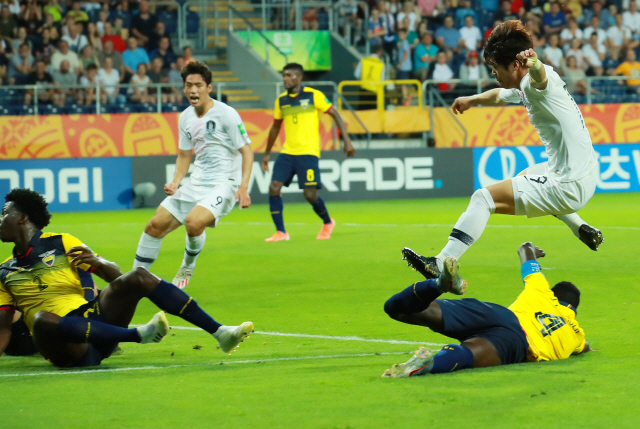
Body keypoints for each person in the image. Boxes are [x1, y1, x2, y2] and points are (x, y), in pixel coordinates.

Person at [402, 20, 603, 280]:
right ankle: (581, 226)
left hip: (569, 183)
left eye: (496, 67)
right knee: (525, 177)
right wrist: (471, 99)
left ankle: (441, 262)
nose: (494, 73)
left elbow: (540, 78)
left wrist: (535, 64)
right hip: (582, 172)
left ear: (516, 65)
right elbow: (498, 95)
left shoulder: (536, 82)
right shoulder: (523, 86)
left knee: (483, 198)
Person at [0, 189, 254, 367]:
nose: (0, 220)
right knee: (42, 319)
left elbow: (117, 278)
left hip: (94, 322)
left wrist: (99, 263)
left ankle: (220, 333)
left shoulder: (61, 242)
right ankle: (138, 335)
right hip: (65, 346)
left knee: (138, 276)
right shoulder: (4, 272)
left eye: (4, 213)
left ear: (22, 218)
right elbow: (3, 327)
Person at [382, 242, 590, 377]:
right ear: (573, 309)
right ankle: (427, 364)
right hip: (519, 343)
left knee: (399, 309)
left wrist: (532, 252)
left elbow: (524, 248)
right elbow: (585, 347)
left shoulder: (542, 291)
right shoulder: (577, 334)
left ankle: (438, 284)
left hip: (499, 315)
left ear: (555, 294)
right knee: (468, 354)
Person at [133, 61, 253, 289]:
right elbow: (184, 155)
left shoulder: (226, 114)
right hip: (197, 181)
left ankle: (187, 265)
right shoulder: (185, 117)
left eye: (198, 85)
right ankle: (133, 280)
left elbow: (247, 151)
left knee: (194, 222)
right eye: (189, 85)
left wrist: (243, 186)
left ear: (209, 87)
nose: (193, 90)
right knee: (154, 225)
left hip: (224, 183)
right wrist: (176, 182)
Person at [261, 63, 355, 242]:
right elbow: (275, 127)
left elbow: (335, 114)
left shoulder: (314, 95)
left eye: (289, 75)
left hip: (308, 152)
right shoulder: (281, 100)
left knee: (310, 194)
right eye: (284, 75)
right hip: (288, 152)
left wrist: (347, 140)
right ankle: (281, 232)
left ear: (299, 77)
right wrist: (266, 154)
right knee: (274, 187)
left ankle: (327, 222)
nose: (285, 78)